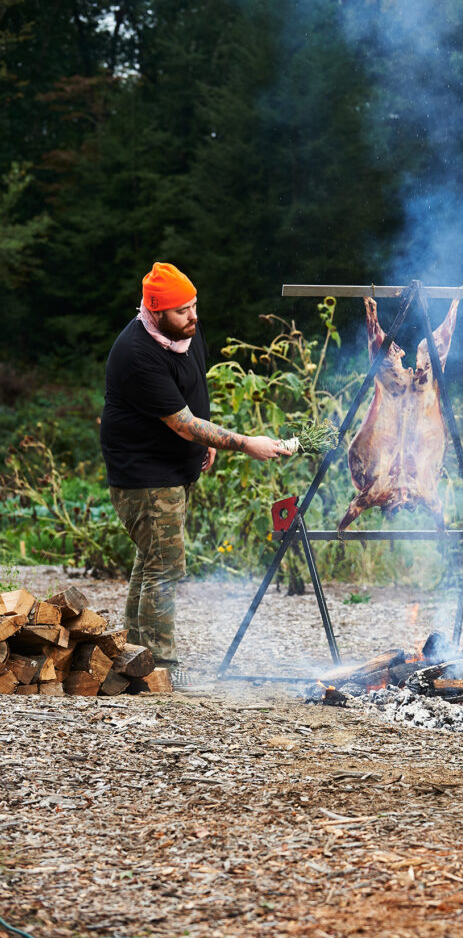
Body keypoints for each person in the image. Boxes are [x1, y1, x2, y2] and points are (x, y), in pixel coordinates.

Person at [100, 261, 290, 686]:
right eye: (182, 310)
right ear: (155, 311)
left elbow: (191, 393)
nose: (193, 316)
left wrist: (206, 440)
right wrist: (243, 442)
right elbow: (181, 421)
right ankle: (161, 666)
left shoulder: (182, 333)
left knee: (151, 563)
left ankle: (134, 657)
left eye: (194, 305)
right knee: (165, 568)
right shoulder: (137, 353)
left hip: (170, 468)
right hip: (144, 474)